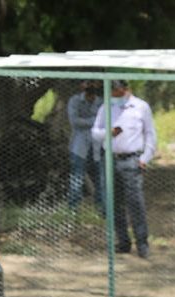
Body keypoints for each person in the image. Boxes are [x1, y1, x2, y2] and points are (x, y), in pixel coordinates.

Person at [91, 79, 157, 259]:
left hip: (131, 160)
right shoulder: (106, 107)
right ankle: (123, 241)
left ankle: (142, 244)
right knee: (114, 203)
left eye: (116, 91)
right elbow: (95, 132)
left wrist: (145, 158)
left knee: (135, 203)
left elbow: (150, 133)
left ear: (125, 89)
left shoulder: (141, 107)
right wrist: (108, 133)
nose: (113, 94)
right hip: (110, 159)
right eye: (111, 91)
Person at [67, 80, 103, 213]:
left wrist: (89, 122)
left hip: (98, 145)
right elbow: (74, 122)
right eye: (87, 84)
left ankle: (101, 207)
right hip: (79, 145)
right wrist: (94, 121)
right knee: (77, 177)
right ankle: (73, 209)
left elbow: (105, 121)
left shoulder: (101, 102)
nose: (90, 87)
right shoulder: (75, 101)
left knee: (100, 177)